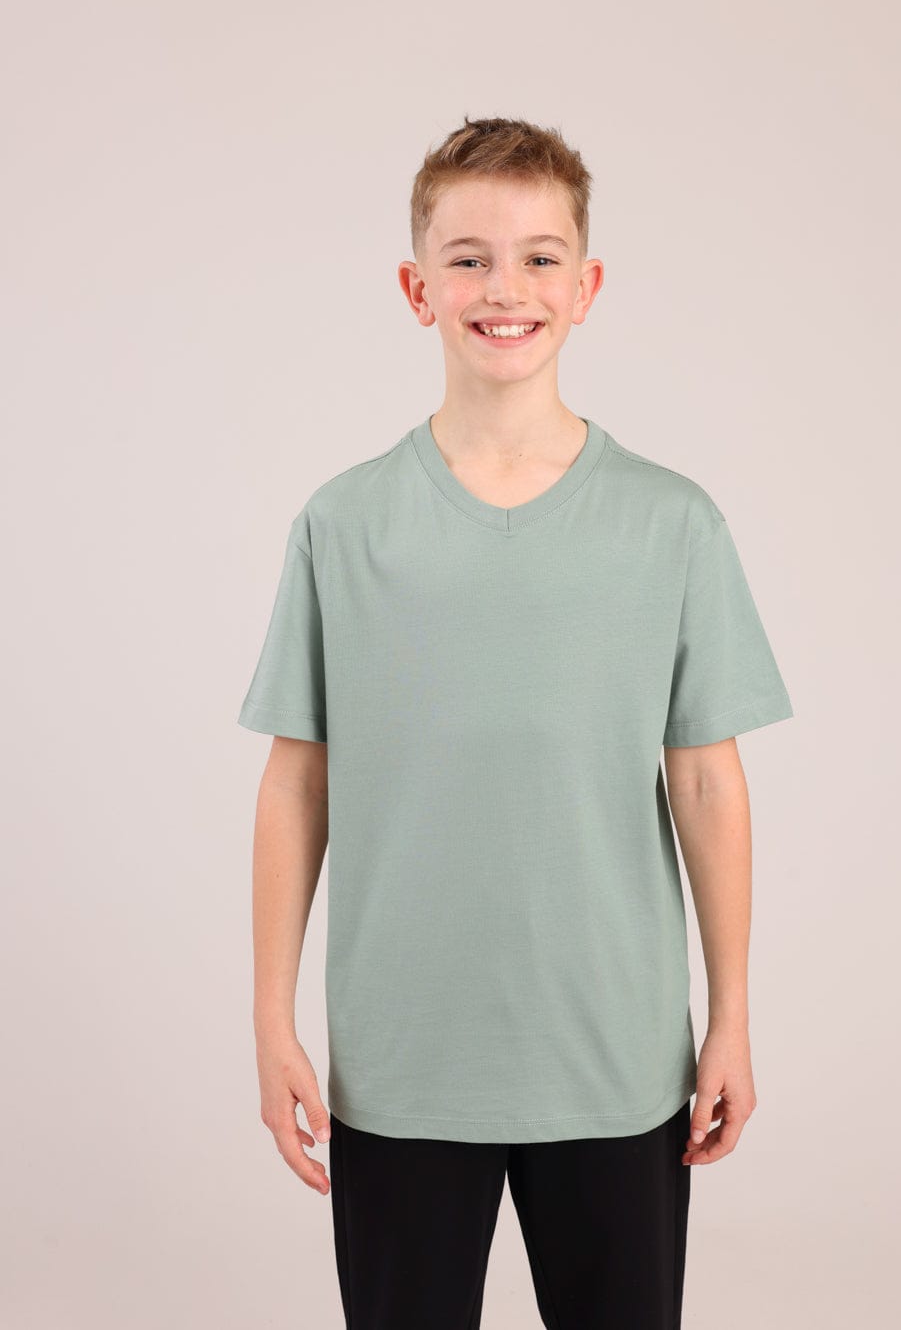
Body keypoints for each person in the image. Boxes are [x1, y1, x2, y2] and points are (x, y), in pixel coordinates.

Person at [237, 114, 793, 1329]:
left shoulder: (670, 523)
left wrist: (732, 1016)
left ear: (584, 288)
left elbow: (707, 780)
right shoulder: (345, 524)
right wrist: (271, 1017)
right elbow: (297, 780)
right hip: (401, 1063)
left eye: (540, 257)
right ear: (416, 287)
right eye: (470, 257)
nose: (505, 288)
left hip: (616, 1057)